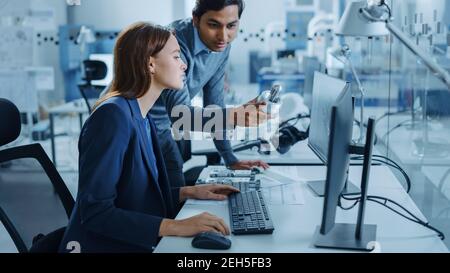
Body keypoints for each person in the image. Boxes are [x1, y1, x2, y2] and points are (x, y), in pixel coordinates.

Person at [59, 22, 239, 253]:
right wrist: (176, 226)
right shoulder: (112, 117)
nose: (184, 65)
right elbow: (96, 213)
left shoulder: (143, 116)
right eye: (176, 57)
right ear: (150, 63)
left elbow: (135, 196)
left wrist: (189, 192)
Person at [150, 0, 270, 188]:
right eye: (214, 25)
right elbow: (180, 116)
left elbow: (214, 106)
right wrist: (234, 116)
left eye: (231, 26)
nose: (223, 36)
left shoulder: (221, 46)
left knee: (174, 184)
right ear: (196, 19)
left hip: (163, 128)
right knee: (155, 194)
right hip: (137, 123)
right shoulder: (173, 43)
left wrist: (230, 159)